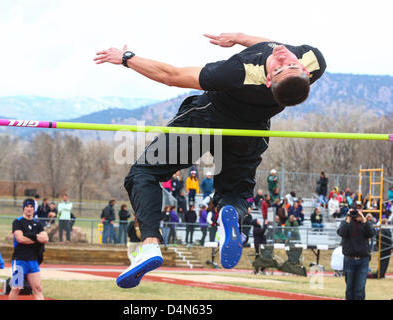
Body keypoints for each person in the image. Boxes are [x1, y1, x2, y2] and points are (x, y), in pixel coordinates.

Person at [96, 31, 326, 288]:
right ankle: (228, 215)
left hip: (207, 120)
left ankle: (150, 245)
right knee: (235, 194)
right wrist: (240, 38)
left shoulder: (235, 72)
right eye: (290, 64)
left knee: (143, 174)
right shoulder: (313, 60)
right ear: (306, 71)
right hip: (250, 132)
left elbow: (171, 76)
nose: (284, 58)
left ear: (269, 81)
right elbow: (273, 47)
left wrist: (127, 58)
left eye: (281, 68)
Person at [9, 199, 48, 300]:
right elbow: (20, 238)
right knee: (16, 288)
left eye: (31, 207)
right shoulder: (18, 222)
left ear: (34, 209)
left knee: (38, 288)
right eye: (27, 206)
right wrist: (36, 239)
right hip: (19, 261)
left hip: (33, 261)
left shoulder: (37, 224)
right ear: (24, 208)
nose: (29, 209)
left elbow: (45, 238)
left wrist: (32, 236)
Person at [337, 202, 375, 300]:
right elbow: (342, 233)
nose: (358, 211)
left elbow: (371, 233)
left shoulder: (366, 223)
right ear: (351, 210)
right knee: (349, 288)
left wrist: (363, 220)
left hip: (363, 259)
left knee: (360, 288)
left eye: (360, 209)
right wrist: (348, 219)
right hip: (349, 259)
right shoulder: (346, 222)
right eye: (356, 209)